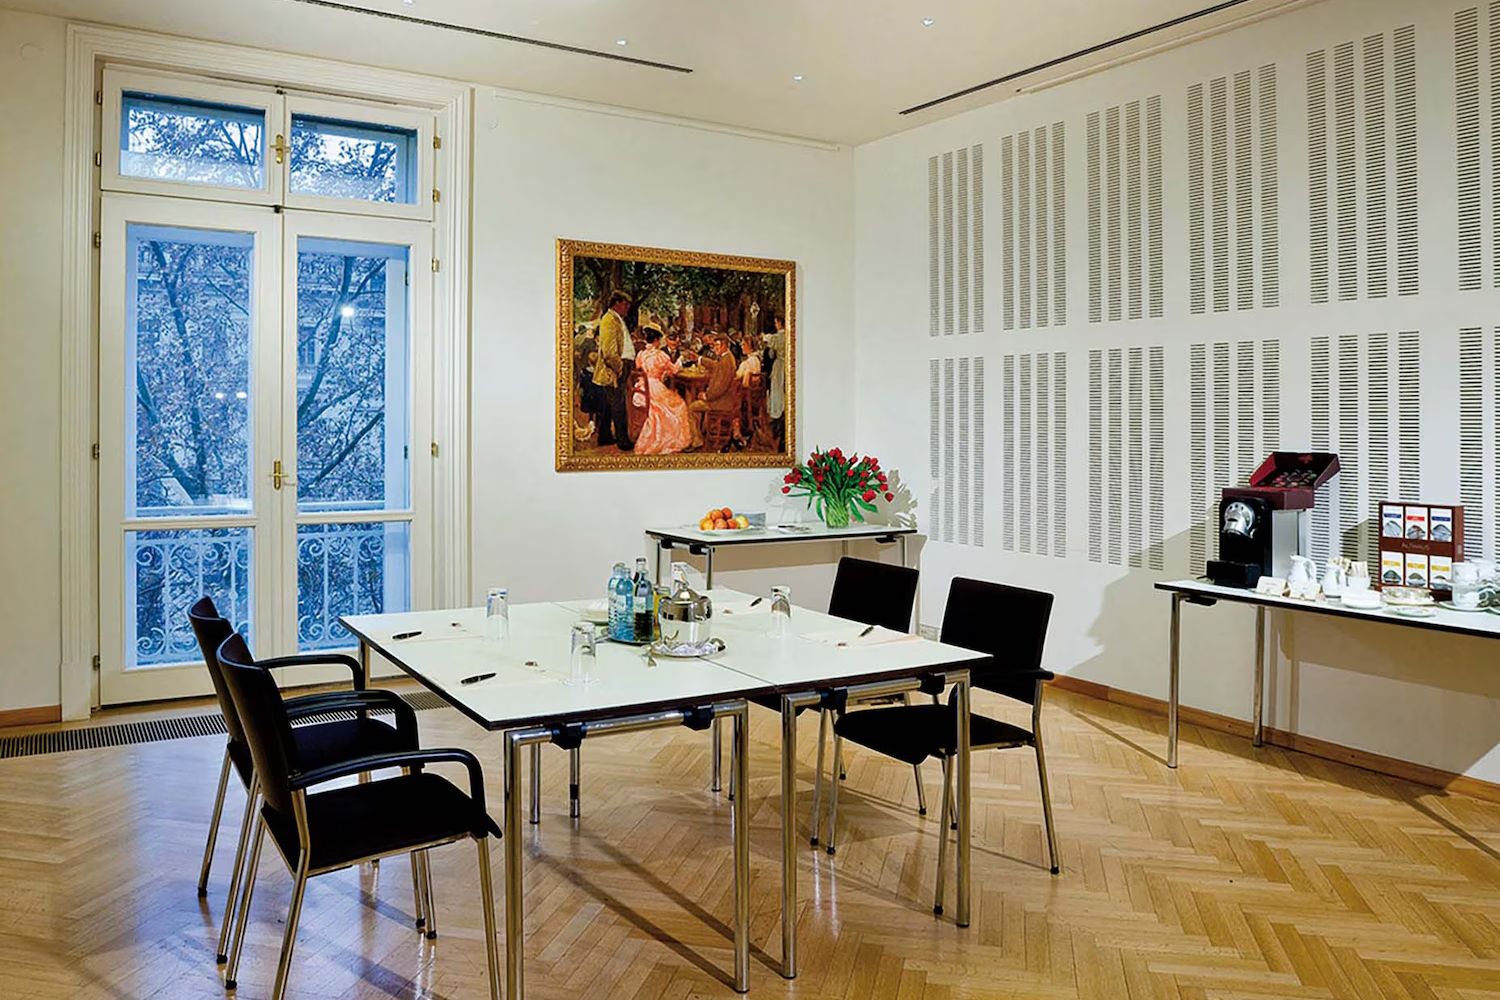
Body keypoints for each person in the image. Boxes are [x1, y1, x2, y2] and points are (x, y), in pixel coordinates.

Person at [632, 327, 694, 455]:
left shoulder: (641, 354)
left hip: (642, 387)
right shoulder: (660, 355)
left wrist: (660, 372)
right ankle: (672, 439)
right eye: (659, 340)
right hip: (655, 387)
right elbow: (674, 370)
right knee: (680, 405)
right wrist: (680, 360)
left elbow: (640, 368)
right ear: (656, 341)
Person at [592, 290, 634, 450]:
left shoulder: (616, 319)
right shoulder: (609, 320)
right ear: (616, 303)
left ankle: (604, 436)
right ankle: (623, 441)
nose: (627, 308)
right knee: (618, 405)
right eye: (625, 304)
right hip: (614, 368)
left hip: (620, 366)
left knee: (609, 404)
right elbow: (609, 352)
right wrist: (620, 367)